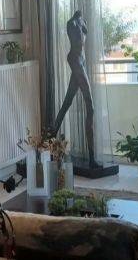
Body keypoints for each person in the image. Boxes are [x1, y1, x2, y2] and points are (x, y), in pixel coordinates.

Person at [49, 10, 100, 168]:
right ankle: (91, 158)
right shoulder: (71, 23)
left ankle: (49, 139)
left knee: (67, 102)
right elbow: (76, 39)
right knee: (90, 107)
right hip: (75, 60)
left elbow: (84, 38)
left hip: (81, 60)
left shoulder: (83, 21)